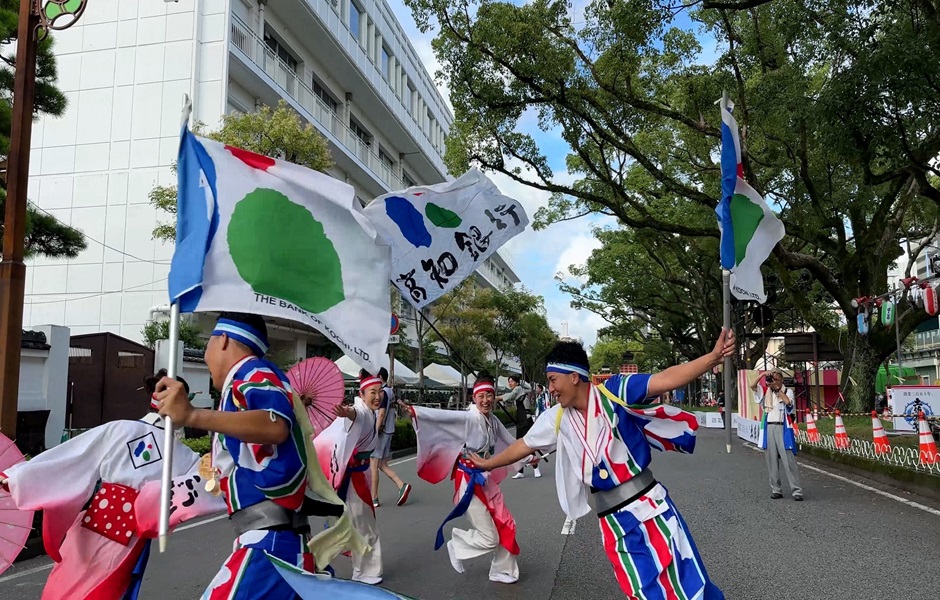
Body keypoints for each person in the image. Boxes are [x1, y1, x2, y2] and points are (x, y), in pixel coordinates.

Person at [471, 332, 735, 599]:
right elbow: (524, 445)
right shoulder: (557, 417)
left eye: (553, 380)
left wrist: (713, 357)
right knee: (641, 591)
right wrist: (487, 463)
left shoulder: (615, 391)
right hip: (612, 521)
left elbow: (665, 378)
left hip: (650, 508)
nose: (550, 388)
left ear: (574, 376)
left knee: (688, 584)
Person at [0, 371, 218, 600]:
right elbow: (210, 482)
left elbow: (72, 457)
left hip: (92, 522)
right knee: (104, 592)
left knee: (63, 589)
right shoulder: (185, 456)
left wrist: (17, 476)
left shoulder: (120, 429)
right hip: (129, 536)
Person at [405, 372, 522, 584]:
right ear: (474, 398)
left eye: (489, 395)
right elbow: (442, 418)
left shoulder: (493, 420)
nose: (486, 400)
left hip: (485, 480)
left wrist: (531, 453)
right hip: (469, 483)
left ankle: (501, 569)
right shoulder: (468, 418)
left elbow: (512, 442)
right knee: (490, 537)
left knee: (506, 522)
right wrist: (416, 412)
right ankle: (457, 545)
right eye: (481, 396)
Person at [314, 369, 385, 585]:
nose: (377, 396)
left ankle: (318, 560)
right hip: (354, 477)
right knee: (363, 525)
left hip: (358, 473)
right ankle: (364, 571)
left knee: (352, 523)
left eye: (380, 391)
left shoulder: (370, 412)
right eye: (372, 392)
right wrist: (347, 413)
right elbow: (355, 414)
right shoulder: (361, 411)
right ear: (362, 395)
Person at [750, 368, 803, 501]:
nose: (772, 380)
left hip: (783, 427)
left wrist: (777, 389)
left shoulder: (787, 391)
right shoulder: (765, 391)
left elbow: (788, 403)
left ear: (781, 379)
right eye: (771, 377)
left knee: (788, 459)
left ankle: (796, 490)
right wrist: (762, 375)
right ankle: (776, 489)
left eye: (775, 377)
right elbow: (752, 385)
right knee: (771, 460)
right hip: (769, 427)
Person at [371, 368, 413, 508]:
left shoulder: (382, 392)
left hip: (381, 432)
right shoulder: (390, 391)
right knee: (382, 464)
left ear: (379, 377)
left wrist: (374, 432)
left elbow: (381, 413)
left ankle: (374, 498)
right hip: (389, 430)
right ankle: (402, 485)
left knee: (373, 465)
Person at [499, 375, 541, 479]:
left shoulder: (518, 389)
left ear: (517, 383)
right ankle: (520, 471)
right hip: (521, 421)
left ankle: (536, 468)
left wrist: (497, 398)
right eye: (509, 382)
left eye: (512, 381)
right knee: (518, 446)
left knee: (528, 445)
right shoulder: (517, 391)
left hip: (526, 421)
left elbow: (509, 396)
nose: (510, 383)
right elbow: (509, 398)